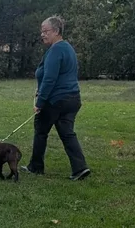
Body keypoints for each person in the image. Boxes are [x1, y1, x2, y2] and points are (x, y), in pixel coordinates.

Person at [22, 16, 90, 180]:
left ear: (56, 31)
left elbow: (50, 79)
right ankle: (80, 168)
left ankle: (36, 167)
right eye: (41, 31)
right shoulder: (68, 48)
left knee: (40, 131)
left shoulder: (56, 50)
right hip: (73, 99)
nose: (42, 34)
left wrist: (40, 102)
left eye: (45, 31)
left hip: (56, 100)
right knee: (67, 133)